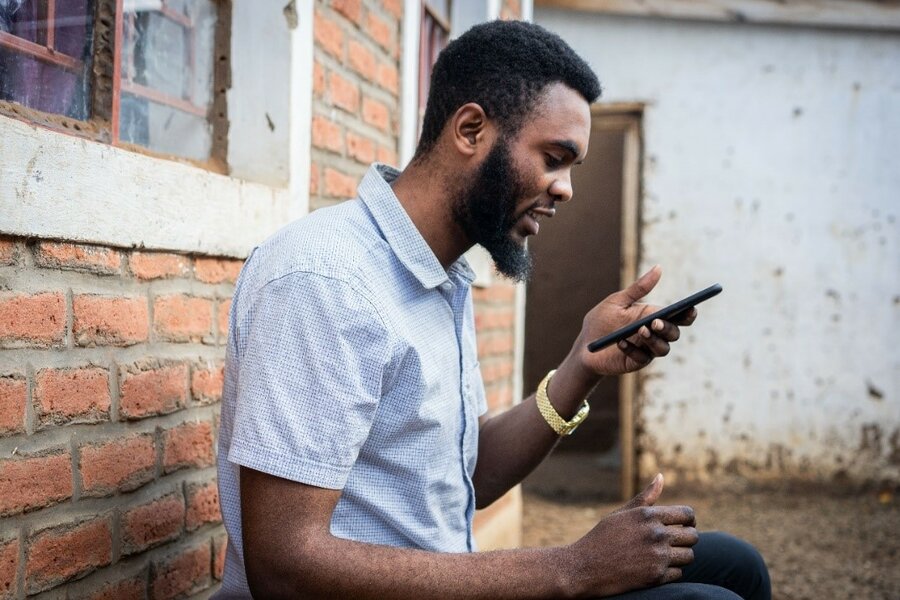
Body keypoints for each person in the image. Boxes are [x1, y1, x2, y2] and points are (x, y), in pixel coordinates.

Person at [215, 20, 770, 600]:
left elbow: (465, 478)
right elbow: (282, 565)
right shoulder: (326, 281)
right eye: (555, 158)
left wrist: (583, 364)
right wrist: (571, 569)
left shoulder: (440, 272)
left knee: (734, 564)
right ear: (472, 130)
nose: (566, 189)